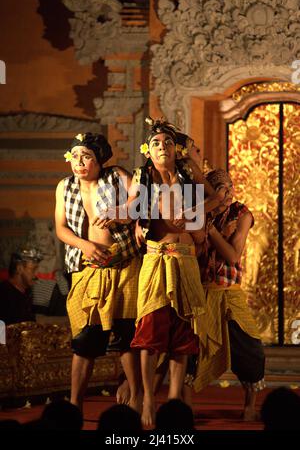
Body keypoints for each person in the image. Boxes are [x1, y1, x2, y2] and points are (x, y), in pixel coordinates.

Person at [55, 132, 141, 413]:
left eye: (87, 157)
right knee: (84, 340)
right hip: (87, 267)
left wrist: (120, 213)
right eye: (75, 156)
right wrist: (84, 245)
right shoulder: (64, 186)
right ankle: (74, 404)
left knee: (127, 334)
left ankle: (137, 396)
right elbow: (61, 228)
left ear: (99, 160)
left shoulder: (116, 175)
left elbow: (140, 200)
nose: (79, 162)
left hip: (124, 265)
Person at [129, 118, 207, 426]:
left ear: (178, 150)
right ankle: (148, 397)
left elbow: (202, 202)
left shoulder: (187, 178)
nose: (163, 147)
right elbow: (132, 209)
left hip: (185, 259)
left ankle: (175, 403)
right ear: (147, 150)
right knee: (150, 332)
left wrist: (189, 157)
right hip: (157, 260)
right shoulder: (142, 177)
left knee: (182, 334)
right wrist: (133, 218)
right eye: (157, 143)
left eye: (169, 143)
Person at [193, 168, 265, 421]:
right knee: (195, 347)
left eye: (229, 188)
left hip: (230, 292)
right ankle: (183, 403)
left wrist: (212, 234)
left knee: (250, 346)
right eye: (220, 188)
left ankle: (250, 403)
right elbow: (195, 254)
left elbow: (233, 256)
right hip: (202, 291)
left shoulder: (241, 213)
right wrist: (218, 234)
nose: (226, 194)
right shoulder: (198, 213)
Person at [0, 248, 43, 325]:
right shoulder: (4, 294)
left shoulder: (27, 291)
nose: (37, 274)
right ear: (19, 268)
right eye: (33, 269)